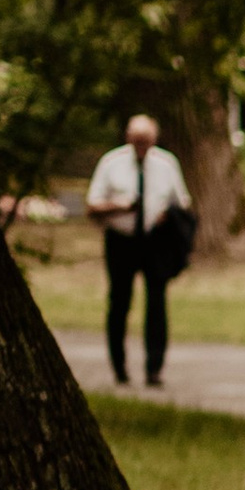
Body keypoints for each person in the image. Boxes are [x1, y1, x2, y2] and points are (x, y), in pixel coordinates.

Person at [86, 114, 196, 387]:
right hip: (121, 239)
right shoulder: (111, 163)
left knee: (157, 302)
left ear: (154, 140)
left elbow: (182, 203)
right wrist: (120, 207)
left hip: (154, 241)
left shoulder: (167, 164)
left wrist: (166, 217)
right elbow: (92, 206)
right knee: (119, 302)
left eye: (146, 142)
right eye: (137, 142)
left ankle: (154, 368)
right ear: (128, 139)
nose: (141, 148)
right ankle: (119, 367)